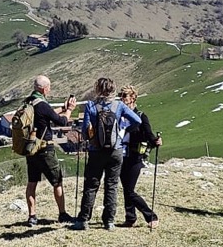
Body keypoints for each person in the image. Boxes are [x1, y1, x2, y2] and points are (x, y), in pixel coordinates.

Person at [69, 76, 142, 230]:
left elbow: (85, 130)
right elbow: (137, 120)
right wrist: (123, 132)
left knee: (91, 185)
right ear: (113, 89)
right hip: (116, 150)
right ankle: (109, 221)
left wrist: (92, 137)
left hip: (96, 151)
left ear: (97, 89)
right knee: (112, 185)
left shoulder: (91, 105)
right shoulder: (119, 106)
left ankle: (83, 220)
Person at [22, 75, 77, 228]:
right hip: (45, 148)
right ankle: (62, 213)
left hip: (31, 148)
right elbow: (62, 122)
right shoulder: (42, 104)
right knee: (57, 181)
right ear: (44, 89)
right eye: (49, 87)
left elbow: (47, 114)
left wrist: (63, 108)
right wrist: (69, 110)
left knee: (32, 183)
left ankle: (32, 216)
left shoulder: (29, 101)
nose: (50, 89)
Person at [119, 85, 161, 228]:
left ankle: (150, 215)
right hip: (121, 155)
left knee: (129, 190)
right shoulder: (120, 115)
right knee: (126, 188)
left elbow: (148, 135)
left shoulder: (141, 116)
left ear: (133, 98)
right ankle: (130, 217)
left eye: (125, 96)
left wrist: (155, 141)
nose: (122, 99)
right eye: (121, 96)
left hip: (135, 157)